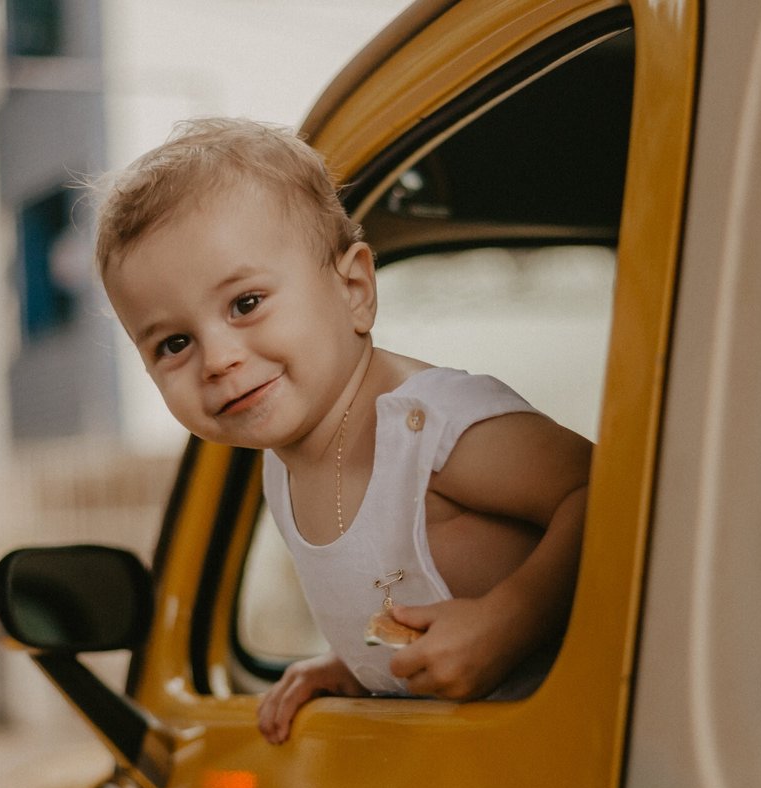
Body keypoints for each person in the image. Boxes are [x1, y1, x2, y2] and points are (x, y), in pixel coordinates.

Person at [96, 118, 593, 744]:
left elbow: (611, 495)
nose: (217, 358)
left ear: (354, 289)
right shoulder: (282, 465)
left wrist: (506, 622)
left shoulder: (428, 427)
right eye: (174, 342)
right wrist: (362, 667)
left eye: (245, 303)